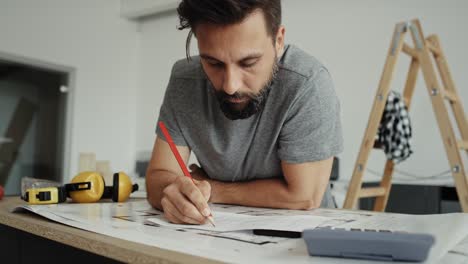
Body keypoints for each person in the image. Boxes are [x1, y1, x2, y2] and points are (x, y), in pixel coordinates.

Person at [146, 0, 343, 225]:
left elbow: (303, 197)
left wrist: (211, 189)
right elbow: (158, 177)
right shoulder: (184, 80)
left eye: (248, 63)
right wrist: (173, 195)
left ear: (278, 41)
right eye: (213, 63)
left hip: (305, 238)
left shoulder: (307, 83)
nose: (230, 85)